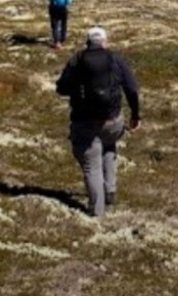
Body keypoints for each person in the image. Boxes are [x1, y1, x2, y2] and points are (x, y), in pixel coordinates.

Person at [55, 26, 141, 217]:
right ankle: (110, 191)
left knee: (91, 165)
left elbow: (61, 88)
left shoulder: (77, 60)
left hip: (85, 123)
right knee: (109, 147)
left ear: (87, 42)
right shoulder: (115, 59)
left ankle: (97, 211)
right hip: (113, 121)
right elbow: (132, 89)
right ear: (105, 41)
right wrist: (135, 116)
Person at [23, 0, 92, 49]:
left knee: (55, 25)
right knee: (63, 24)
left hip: (53, 7)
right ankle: (62, 40)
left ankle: (57, 42)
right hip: (63, 7)